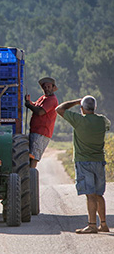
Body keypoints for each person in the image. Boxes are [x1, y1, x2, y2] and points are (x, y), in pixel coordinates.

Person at [56, 96, 111, 234]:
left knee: (90, 195)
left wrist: (75, 101)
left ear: (82, 108)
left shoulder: (79, 120)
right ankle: (103, 224)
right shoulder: (102, 120)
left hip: (84, 162)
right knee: (99, 194)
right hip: (99, 161)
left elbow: (59, 109)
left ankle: (92, 225)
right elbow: (108, 125)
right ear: (95, 108)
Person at [25, 77, 58, 168]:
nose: (46, 88)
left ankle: (31, 175)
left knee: (34, 156)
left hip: (42, 132)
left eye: (48, 86)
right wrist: (29, 102)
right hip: (36, 131)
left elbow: (40, 112)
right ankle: (30, 174)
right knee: (31, 155)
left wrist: (29, 105)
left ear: (53, 87)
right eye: (45, 87)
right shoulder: (43, 98)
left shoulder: (52, 100)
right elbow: (36, 105)